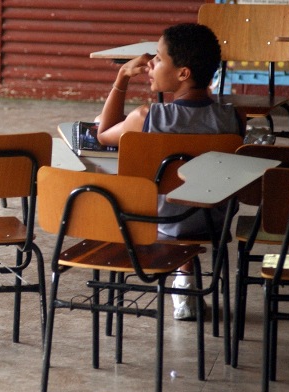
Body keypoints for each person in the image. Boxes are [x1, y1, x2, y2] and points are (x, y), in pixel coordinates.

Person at [95, 23, 245, 321]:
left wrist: (122, 76)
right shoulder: (235, 119)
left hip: (156, 220)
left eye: (159, 58)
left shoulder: (146, 117)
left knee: (168, 193)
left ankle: (183, 284)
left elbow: (102, 134)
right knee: (189, 191)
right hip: (213, 220)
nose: (150, 63)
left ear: (183, 73)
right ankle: (184, 285)